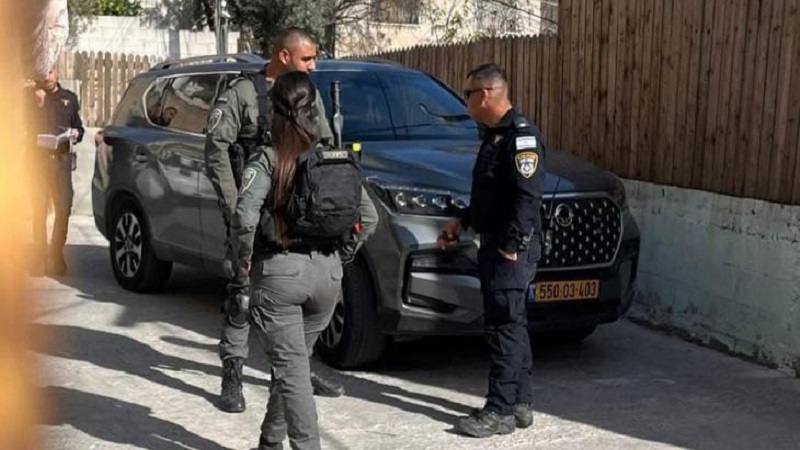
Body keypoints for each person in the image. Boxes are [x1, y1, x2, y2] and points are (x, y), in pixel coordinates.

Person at [232, 70, 378, 450]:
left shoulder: (268, 158)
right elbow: (370, 217)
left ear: (274, 112)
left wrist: (243, 263)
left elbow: (244, 217)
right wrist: (340, 258)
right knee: (292, 366)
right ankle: (270, 441)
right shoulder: (333, 159)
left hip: (280, 277)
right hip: (327, 279)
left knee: (293, 374)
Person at [204, 27, 342, 414]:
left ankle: (297, 370)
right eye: (307, 58)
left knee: (300, 295)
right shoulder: (244, 93)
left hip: (296, 211)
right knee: (242, 291)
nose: (313, 66)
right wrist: (235, 206)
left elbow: (322, 147)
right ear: (284, 56)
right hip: (253, 206)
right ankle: (232, 372)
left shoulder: (308, 94)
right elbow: (216, 149)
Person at [438, 63, 544, 438]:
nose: (465, 101)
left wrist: (512, 245)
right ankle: (520, 402)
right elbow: (491, 194)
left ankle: (499, 410)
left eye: (467, 94)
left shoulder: (521, 137)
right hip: (496, 243)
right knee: (512, 323)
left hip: (510, 250)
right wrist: (463, 221)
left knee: (504, 326)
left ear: (484, 95)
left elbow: (527, 197)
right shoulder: (495, 135)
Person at [27, 68, 84, 277]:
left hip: (62, 162)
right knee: (39, 210)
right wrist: (36, 104)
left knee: (64, 208)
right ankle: (39, 255)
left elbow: (78, 126)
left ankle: (56, 251)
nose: (46, 78)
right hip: (38, 163)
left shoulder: (70, 98)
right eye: (43, 73)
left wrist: (77, 133)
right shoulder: (31, 97)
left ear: (56, 73)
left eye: (50, 72)